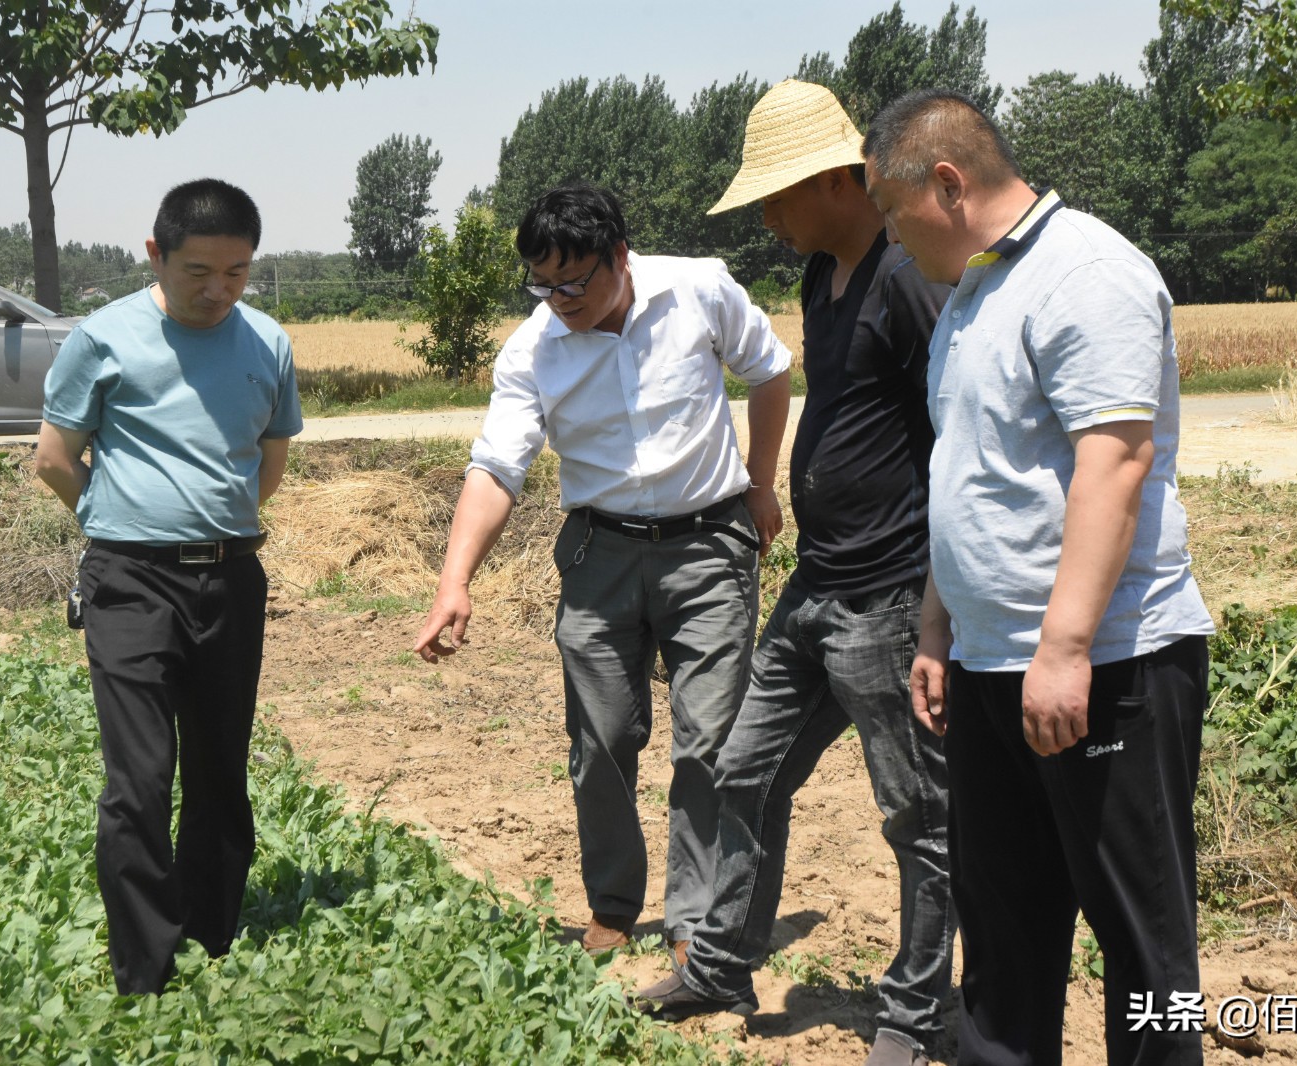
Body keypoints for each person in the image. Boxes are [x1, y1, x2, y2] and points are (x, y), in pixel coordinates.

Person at [863, 89, 1216, 1065]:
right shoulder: (974, 295)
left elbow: (1116, 461)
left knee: (1142, 945)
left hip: (1106, 664)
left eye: (891, 210)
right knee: (1003, 933)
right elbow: (969, 476)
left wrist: (1063, 649)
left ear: (947, 184)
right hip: (991, 666)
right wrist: (939, 628)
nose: (890, 237)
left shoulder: (1086, 274)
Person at [630, 80, 955, 1066]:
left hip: (888, 593)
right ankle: (721, 963)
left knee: (917, 815)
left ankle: (914, 1013)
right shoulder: (823, 276)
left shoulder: (907, 277)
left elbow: (956, 430)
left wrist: (939, 600)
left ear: (831, 181)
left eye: (775, 199)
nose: (767, 221)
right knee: (743, 769)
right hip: (817, 585)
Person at [411, 183, 792, 957]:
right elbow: (497, 468)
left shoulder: (698, 290)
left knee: (708, 741)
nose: (559, 301)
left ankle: (694, 921)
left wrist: (760, 483)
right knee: (601, 738)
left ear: (620, 255)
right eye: (542, 285)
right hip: (599, 555)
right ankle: (614, 905)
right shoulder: (532, 351)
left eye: (573, 282)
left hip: (709, 549)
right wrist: (455, 580)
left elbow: (771, 369)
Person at [34, 178, 301, 996]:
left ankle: (211, 932)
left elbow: (269, 465)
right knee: (140, 778)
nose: (219, 290)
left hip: (231, 578)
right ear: (156, 255)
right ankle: (143, 970)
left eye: (237, 272)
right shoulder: (103, 337)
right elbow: (54, 458)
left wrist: (210, 529)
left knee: (220, 767)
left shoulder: (268, 343)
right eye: (199, 272)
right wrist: (122, 521)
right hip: (129, 581)